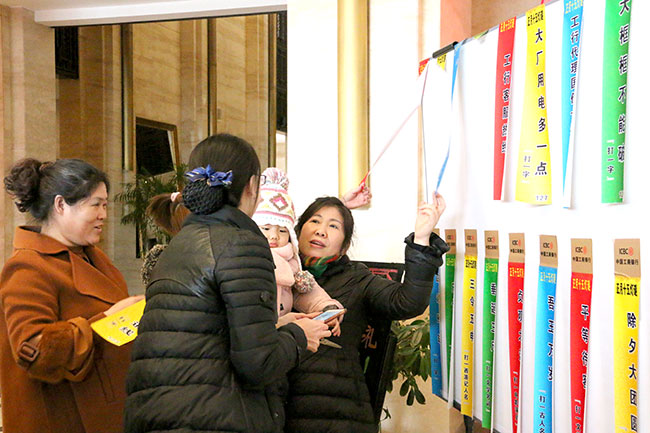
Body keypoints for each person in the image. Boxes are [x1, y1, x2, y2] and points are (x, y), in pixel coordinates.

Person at [124, 133, 331, 433]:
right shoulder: (242, 244)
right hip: (213, 417)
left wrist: (277, 327)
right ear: (251, 186)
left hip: (156, 414)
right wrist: (299, 336)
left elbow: (206, 334)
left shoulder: (178, 244)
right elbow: (258, 364)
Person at [284, 193, 449, 433]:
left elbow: (407, 302)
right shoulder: (275, 273)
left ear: (345, 246)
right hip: (277, 408)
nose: (321, 231)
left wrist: (421, 240)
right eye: (315, 221)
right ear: (296, 231)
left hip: (338, 413)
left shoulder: (356, 279)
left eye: (333, 226)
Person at [0, 158, 143, 433]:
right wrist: (107, 321)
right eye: (95, 205)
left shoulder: (93, 256)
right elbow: (34, 351)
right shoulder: (27, 267)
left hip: (107, 409)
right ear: (61, 205)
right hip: (63, 419)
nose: (103, 214)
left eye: (105, 205)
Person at [252, 167, 343, 328]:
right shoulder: (246, 256)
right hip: (256, 329)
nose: (274, 236)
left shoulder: (291, 262)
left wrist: (327, 307)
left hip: (282, 329)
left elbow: (307, 294)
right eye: (266, 228)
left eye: (282, 231)